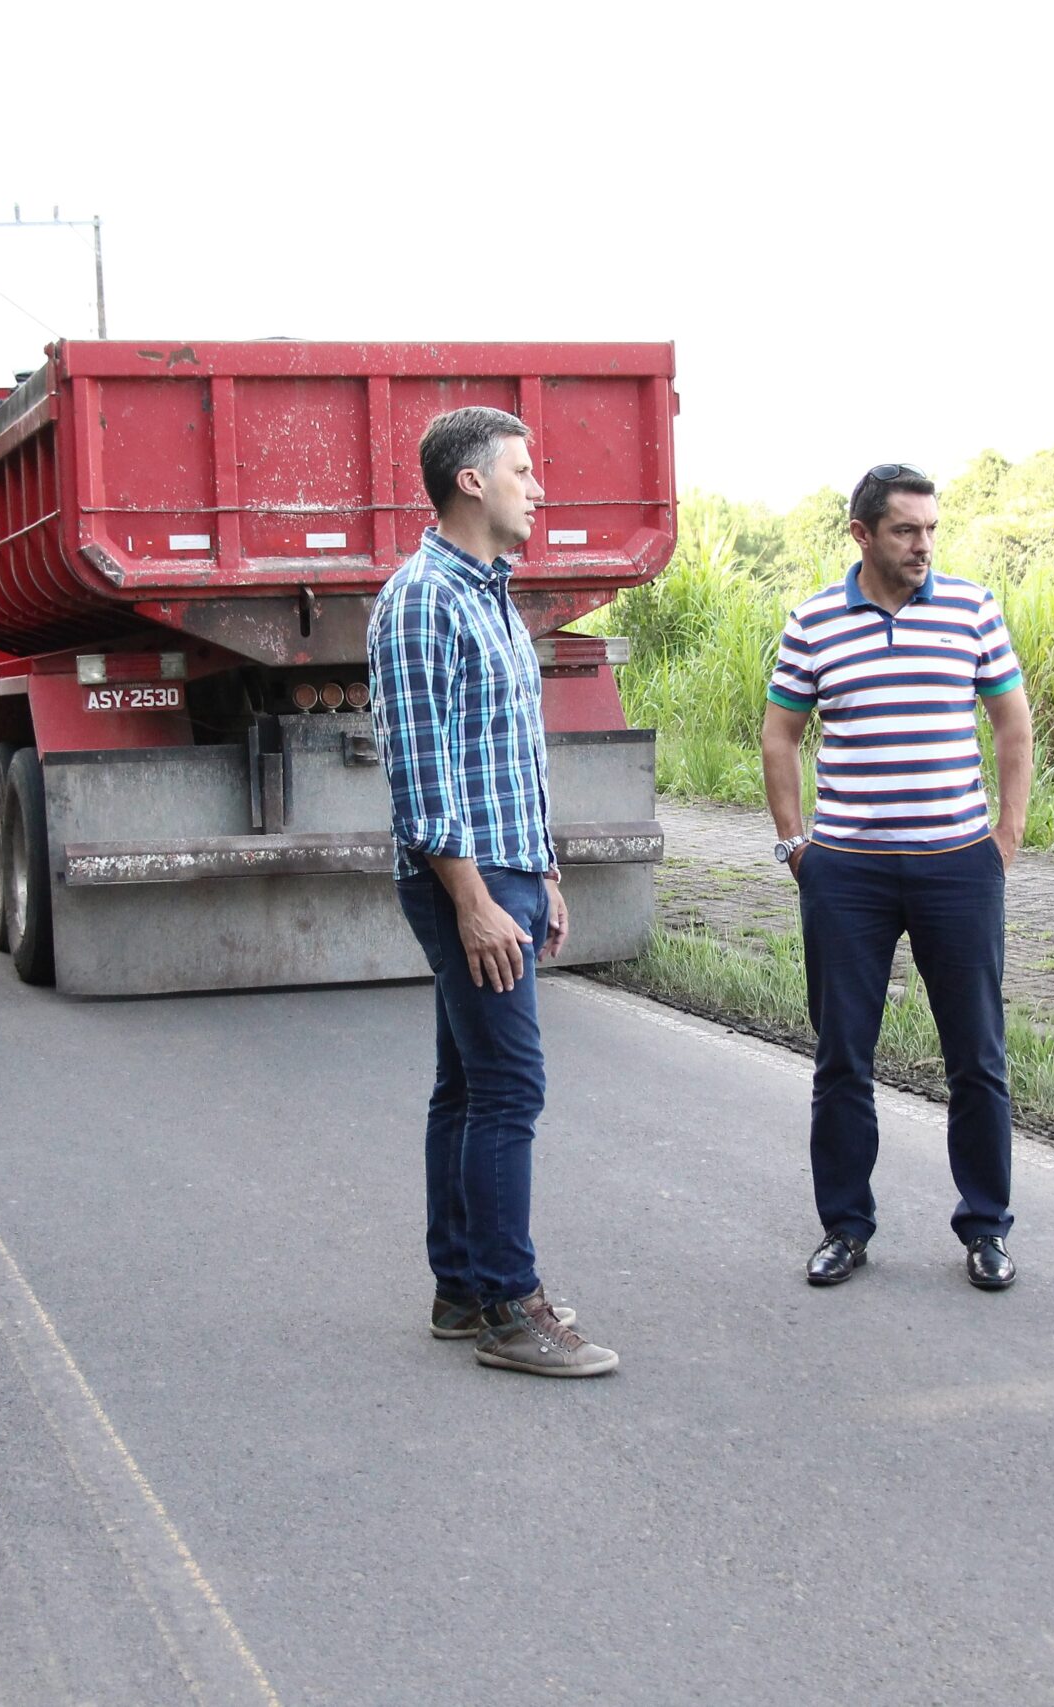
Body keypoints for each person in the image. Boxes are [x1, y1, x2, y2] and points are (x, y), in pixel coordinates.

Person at [366, 405, 615, 1378]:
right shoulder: (425, 598)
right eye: (522, 471)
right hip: (462, 876)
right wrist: (473, 901)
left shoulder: (489, 594)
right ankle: (511, 1307)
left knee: (468, 1085)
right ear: (470, 481)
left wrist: (543, 869)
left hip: (505, 866)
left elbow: (508, 754)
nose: (537, 487)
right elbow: (420, 775)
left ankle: (463, 1290)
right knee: (510, 1087)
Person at [760, 464, 1034, 1292]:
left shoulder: (972, 608)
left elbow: (1013, 723)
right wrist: (796, 846)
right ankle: (846, 1225)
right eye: (906, 530)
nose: (923, 546)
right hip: (847, 873)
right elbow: (780, 736)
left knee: (977, 1057)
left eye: (931, 530)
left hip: (959, 867)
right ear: (863, 534)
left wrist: (1004, 838)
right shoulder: (813, 621)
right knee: (844, 1054)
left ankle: (985, 1228)